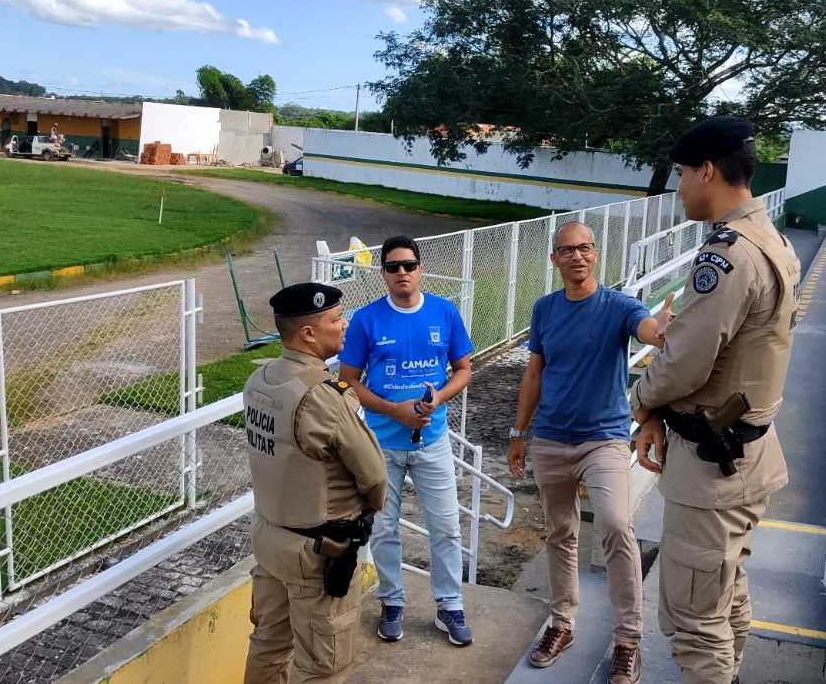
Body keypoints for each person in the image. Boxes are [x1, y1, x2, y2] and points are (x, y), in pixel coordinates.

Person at [629, 117, 801, 684]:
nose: (679, 185)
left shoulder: (725, 258)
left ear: (707, 170)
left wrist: (640, 400)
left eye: (681, 173)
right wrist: (660, 412)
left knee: (696, 620)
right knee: (725, 596)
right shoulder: (770, 239)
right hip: (745, 455)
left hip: (713, 469)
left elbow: (684, 362)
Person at [507, 221, 673, 684]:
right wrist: (518, 432)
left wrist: (657, 329)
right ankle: (561, 624)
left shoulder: (618, 305)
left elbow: (643, 327)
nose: (577, 256)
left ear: (595, 254)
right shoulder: (544, 310)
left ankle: (627, 640)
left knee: (616, 524)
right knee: (559, 532)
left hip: (604, 438)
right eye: (567, 250)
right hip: (552, 439)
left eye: (585, 248)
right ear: (555, 259)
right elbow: (534, 374)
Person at [242, 282, 388, 684]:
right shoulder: (324, 397)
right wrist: (371, 505)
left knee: (268, 646)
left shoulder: (260, 381)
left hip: (271, 538)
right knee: (324, 666)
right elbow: (374, 476)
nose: (344, 326)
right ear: (308, 333)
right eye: (335, 319)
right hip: (317, 552)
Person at [338, 235, 476, 647]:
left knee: (447, 527)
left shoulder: (444, 312)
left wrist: (440, 396)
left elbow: (464, 369)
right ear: (382, 272)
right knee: (383, 530)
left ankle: (450, 606)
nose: (403, 273)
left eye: (409, 265)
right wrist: (390, 409)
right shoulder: (366, 320)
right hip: (382, 445)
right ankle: (392, 601)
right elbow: (347, 380)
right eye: (394, 266)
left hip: (432, 440)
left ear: (420, 269)